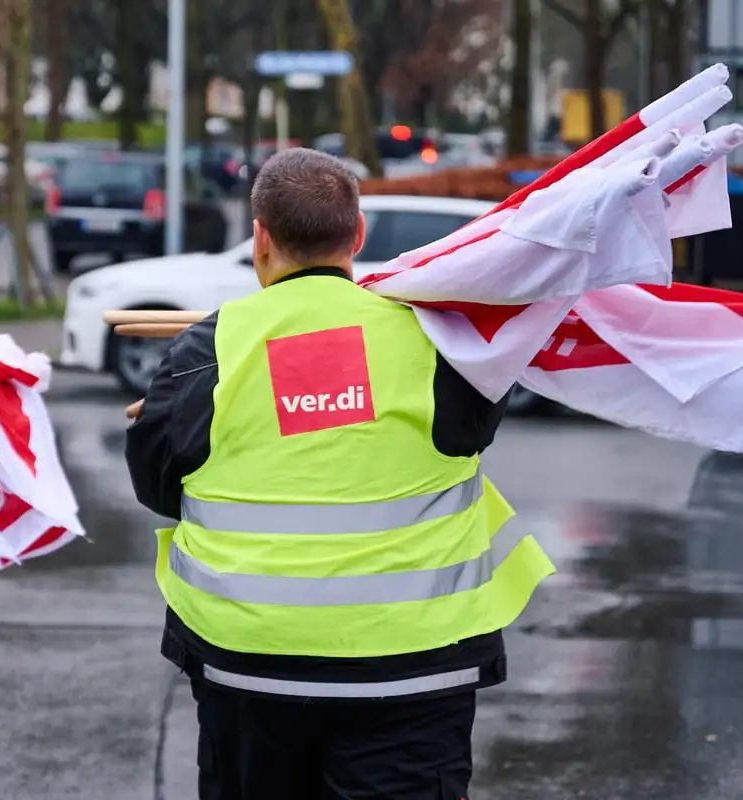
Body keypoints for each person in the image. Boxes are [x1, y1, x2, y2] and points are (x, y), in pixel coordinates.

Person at [124, 148, 556, 800]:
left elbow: (155, 483)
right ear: (357, 235)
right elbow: (474, 429)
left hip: (251, 663)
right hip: (415, 669)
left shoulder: (211, 346)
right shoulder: (437, 340)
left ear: (259, 236)